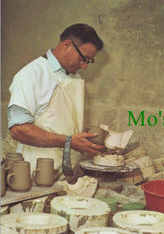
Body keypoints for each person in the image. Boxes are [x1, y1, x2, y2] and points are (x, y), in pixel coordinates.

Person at [8, 23, 105, 181]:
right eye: (83, 59)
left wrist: (85, 137)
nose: (85, 66)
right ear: (67, 44)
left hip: (66, 174)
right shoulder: (32, 74)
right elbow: (18, 130)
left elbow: (63, 123)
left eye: (89, 61)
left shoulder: (75, 77)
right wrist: (68, 141)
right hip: (35, 176)